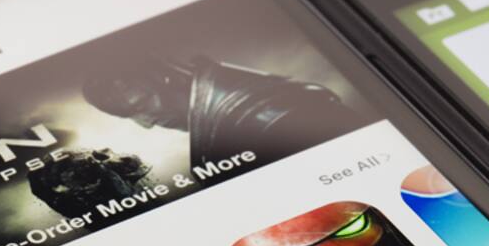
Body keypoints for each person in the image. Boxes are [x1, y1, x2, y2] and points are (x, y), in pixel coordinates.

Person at [82, 55, 363, 174]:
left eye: (141, 104)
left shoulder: (267, 114)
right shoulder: (230, 123)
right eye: (130, 116)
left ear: (165, 78)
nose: (147, 124)